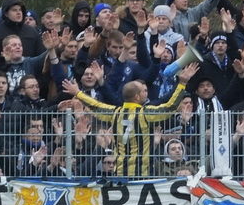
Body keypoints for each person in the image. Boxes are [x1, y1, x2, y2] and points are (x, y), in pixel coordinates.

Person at [62, 63, 199, 177]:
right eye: (143, 92)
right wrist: (182, 83)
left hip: (120, 173)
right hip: (141, 174)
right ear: (137, 97)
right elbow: (170, 107)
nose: (146, 93)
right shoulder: (145, 114)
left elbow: (95, 106)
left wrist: (78, 93)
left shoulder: (115, 113)